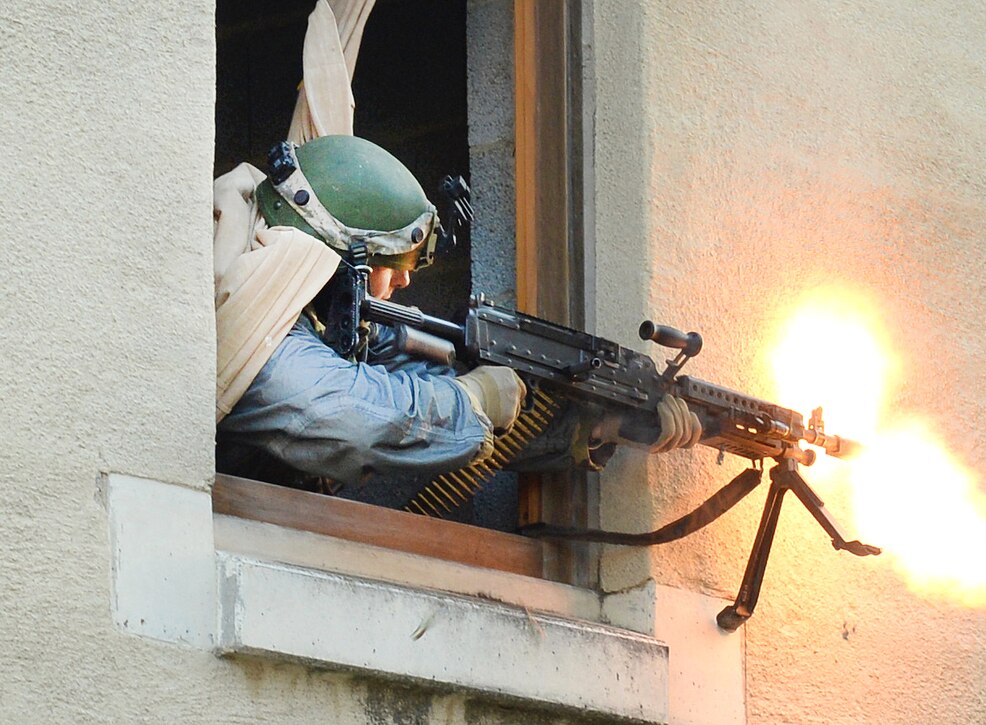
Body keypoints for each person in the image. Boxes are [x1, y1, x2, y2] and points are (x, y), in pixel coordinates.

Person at [214, 134, 701, 498]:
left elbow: (424, 376)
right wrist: (472, 396)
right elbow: (350, 415)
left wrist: (599, 425)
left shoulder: (326, 316)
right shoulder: (251, 313)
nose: (404, 283)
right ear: (342, 258)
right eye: (392, 266)